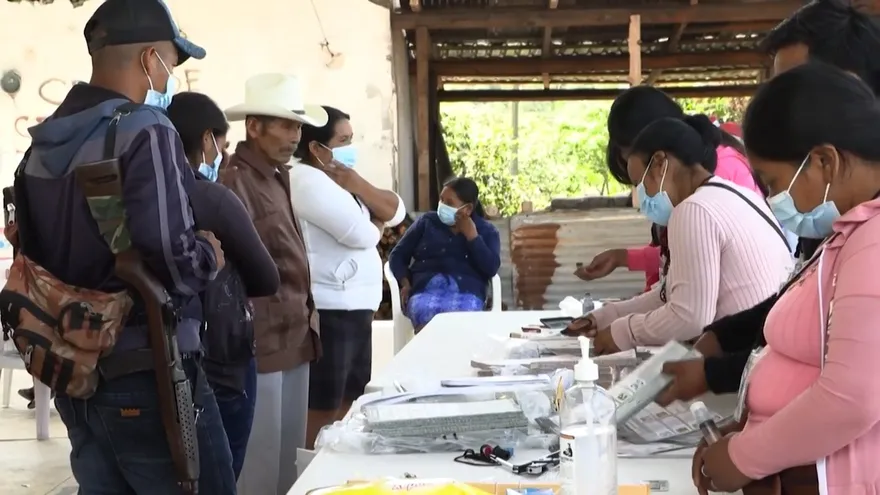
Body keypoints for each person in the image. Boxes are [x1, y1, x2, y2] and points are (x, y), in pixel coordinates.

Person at [12, 0, 236, 492]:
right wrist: (209, 254)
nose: (169, 76)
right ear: (148, 58)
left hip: (76, 369)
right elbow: (174, 259)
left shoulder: (41, 144)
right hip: (148, 366)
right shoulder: (145, 129)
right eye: (171, 65)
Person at [657, 0, 880, 408]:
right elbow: (798, 305)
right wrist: (723, 337)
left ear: (847, 86)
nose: (779, 108)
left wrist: (745, 452)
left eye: (792, 89)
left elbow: (843, 379)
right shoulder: (833, 202)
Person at [697, 61, 880, 495]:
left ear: (824, 161)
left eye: (773, 182)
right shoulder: (848, 232)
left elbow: (853, 399)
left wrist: (745, 456)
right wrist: (747, 433)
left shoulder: (874, 241)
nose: (773, 198)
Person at [565, 115, 792, 355]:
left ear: (661, 163)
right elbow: (671, 295)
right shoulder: (731, 194)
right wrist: (607, 317)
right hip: (759, 350)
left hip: (742, 361)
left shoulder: (693, 209)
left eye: (639, 183)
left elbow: (690, 317)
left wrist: (624, 332)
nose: (642, 198)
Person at [221, 73, 326, 495]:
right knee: (259, 470)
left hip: (295, 329)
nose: (295, 135)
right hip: (259, 338)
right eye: (285, 125)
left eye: (298, 126)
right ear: (254, 126)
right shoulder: (234, 180)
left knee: (288, 466)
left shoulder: (278, 175)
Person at [167, 91, 281, 480]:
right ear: (206, 140)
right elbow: (267, 277)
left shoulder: (146, 195)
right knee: (220, 471)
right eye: (223, 145)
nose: (224, 156)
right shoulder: (211, 197)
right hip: (221, 355)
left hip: (160, 355)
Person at [576, 86, 774, 292]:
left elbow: (693, 305)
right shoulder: (688, 177)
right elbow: (679, 259)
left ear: (659, 154)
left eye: (642, 180)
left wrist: (626, 321)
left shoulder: (714, 180)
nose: (645, 191)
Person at [288, 105, 406, 448]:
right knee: (324, 403)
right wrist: (375, 219)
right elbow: (363, 235)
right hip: (331, 306)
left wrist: (359, 185)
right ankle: (312, 468)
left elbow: (395, 210)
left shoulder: (341, 179)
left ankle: (336, 463)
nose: (350, 147)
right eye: (342, 140)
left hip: (356, 305)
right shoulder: (305, 180)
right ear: (315, 147)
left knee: (350, 396)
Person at [389, 177, 501, 332]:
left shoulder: (487, 231)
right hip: (425, 290)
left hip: (466, 292)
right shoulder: (427, 222)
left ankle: (456, 355)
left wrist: (473, 237)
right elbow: (398, 255)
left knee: (463, 318)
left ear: (467, 209)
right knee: (423, 311)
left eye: (449, 203)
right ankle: (429, 354)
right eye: (441, 200)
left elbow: (491, 268)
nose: (442, 206)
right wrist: (405, 282)